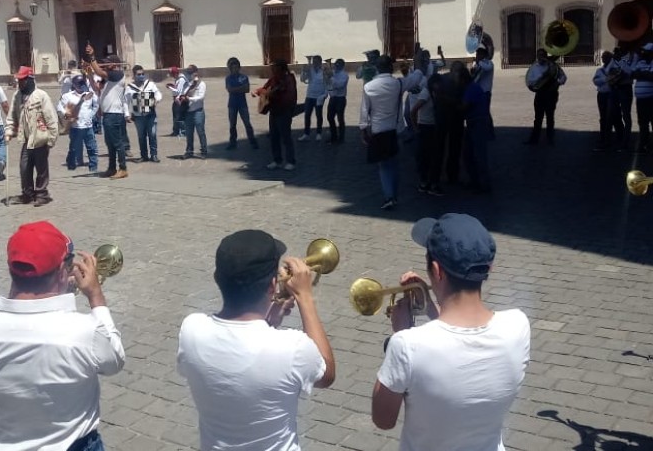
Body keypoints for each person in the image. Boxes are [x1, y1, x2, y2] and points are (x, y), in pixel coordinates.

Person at [371, 213, 530, 451]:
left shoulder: (407, 345)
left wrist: (400, 333)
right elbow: (461, 344)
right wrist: (433, 308)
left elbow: (383, 420)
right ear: (489, 267)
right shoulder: (518, 325)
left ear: (436, 270)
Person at [0, 221, 125, 451]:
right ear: (62, 271)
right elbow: (114, 361)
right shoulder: (83, 331)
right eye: (69, 264)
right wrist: (95, 296)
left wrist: (57, 294)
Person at [177, 230, 335, 451]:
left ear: (217, 278)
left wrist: (269, 321)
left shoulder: (191, 329)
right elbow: (326, 373)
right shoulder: (291, 348)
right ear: (273, 285)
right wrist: (305, 297)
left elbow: (238, 357)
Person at [359, 55, 423, 210]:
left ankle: (389, 196)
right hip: (395, 129)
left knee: (384, 165)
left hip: (378, 130)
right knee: (393, 162)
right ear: (391, 68)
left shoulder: (369, 86)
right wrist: (418, 63)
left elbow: (364, 110)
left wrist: (363, 130)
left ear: (377, 68)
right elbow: (416, 78)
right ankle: (393, 193)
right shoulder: (397, 84)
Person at [5, 67, 59, 206]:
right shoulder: (17, 96)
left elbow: (51, 118)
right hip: (27, 140)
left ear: (30, 80)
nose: (20, 84)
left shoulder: (41, 95)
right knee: (24, 168)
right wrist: (9, 130)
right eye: (19, 81)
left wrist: (52, 139)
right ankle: (27, 194)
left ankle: (42, 194)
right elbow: (12, 116)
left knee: (41, 168)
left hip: (41, 138)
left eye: (22, 81)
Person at [84, 46, 130, 179]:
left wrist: (92, 57)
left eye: (108, 62)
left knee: (117, 143)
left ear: (114, 64)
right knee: (110, 144)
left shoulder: (117, 74)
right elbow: (96, 87)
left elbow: (99, 71)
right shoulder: (108, 78)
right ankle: (111, 168)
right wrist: (89, 73)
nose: (105, 64)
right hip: (108, 114)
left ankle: (123, 168)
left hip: (115, 114)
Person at [255, 59, 298, 171]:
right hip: (274, 111)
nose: (273, 70)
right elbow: (265, 88)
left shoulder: (289, 79)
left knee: (286, 137)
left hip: (284, 112)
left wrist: (274, 95)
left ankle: (290, 161)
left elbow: (289, 97)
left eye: (275, 68)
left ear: (281, 68)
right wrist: (258, 91)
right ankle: (277, 160)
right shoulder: (274, 79)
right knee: (274, 137)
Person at [525, 49, 567, 145]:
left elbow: (563, 77)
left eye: (543, 55)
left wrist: (558, 83)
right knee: (538, 118)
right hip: (540, 93)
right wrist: (539, 79)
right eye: (539, 55)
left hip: (551, 93)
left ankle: (550, 139)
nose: (541, 57)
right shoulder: (534, 67)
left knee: (550, 117)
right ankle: (534, 140)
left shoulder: (553, 66)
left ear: (546, 55)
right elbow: (530, 81)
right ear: (537, 56)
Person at [57, 75, 99, 172]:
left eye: (82, 83)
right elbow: (59, 107)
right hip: (75, 127)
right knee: (74, 148)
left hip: (88, 126)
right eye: (79, 84)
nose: (81, 86)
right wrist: (66, 114)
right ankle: (71, 164)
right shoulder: (68, 96)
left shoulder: (90, 95)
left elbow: (96, 105)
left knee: (92, 147)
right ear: (74, 85)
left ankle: (93, 166)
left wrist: (91, 115)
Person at [410, 75, 443, 196]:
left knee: (435, 156)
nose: (440, 86)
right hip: (425, 127)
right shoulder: (426, 93)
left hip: (434, 127)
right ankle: (425, 182)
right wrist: (415, 128)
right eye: (438, 84)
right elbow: (413, 111)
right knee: (425, 156)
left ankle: (432, 182)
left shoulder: (436, 92)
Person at [461, 70, 492, 193]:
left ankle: (483, 184)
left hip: (478, 122)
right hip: (472, 122)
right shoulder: (471, 87)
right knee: (468, 154)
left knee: (479, 154)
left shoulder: (471, 88)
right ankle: (475, 180)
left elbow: (464, 106)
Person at [125, 64, 163, 163]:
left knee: (152, 134)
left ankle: (154, 155)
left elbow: (158, 94)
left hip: (150, 114)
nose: (141, 76)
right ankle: (144, 155)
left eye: (142, 74)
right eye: (139, 74)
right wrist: (127, 114)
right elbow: (125, 102)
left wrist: (156, 99)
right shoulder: (130, 88)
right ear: (134, 75)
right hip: (138, 116)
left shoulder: (150, 84)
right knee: (141, 136)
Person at [593, 51, 625, 152]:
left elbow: (614, 80)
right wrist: (606, 79)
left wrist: (603, 80)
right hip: (601, 95)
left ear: (610, 58)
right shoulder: (600, 70)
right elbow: (595, 81)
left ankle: (618, 138)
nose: (603, 58)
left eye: (605, 57)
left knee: (614, 117)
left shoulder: (614, 67)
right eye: (603, 57)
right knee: (603, 117)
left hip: (612, 95)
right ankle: (604, 138)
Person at [224, 57, 258, 151]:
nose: (235, 69)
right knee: (232, 124)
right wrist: (240, 88)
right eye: (233, 68)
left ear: (239, 68)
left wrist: (236, 89)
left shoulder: (244, 77)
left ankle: (252, 141)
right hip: (232, 104)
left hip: (242, 104)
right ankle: (232, 142)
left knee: (247, 123)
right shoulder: (228, 78)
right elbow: (229, 89)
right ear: (230, 68)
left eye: (236, 67)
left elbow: (247, 89)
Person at [298, 55, 327, 142]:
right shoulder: (310, 70)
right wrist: (303, 71)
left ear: (320, 62)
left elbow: (328, 84)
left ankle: (319, 133)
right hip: (309, 96)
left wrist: (324, 96)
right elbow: (302, 79)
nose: (314, 63)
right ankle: (306, 134)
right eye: (313, 61)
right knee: (307, 115)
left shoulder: (324, 71)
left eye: (316, 62)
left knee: (319, 115)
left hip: (319, 97)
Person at [182, 64, 208, 159]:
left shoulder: (201, 84)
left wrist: (190, 99)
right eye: (188, 72)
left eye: (192, 72)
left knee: (200, 132)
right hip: (188, 111)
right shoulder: (187, 84)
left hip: (198, 111)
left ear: (196, 72)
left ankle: (204, 151)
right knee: (189, 133)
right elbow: (182, 93)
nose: (190, 74)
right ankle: (189, 151)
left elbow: (201, 97)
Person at [632, 43, 653, 154]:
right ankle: (643, 144)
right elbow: (632, 73)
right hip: (641, 100)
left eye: (646, 52)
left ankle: (650, 145)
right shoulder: (640, 62)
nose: (643, 53)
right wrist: (645, 74)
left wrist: (641, 74)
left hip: (651, 99)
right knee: (643, 123)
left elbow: (651, 76)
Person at [471, 45, 495, 137]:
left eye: (478, 54)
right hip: (478, 92)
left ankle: (490, 133)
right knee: (480, 112)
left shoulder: (489, 63)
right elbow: (475, 77)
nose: (477, 55)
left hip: (485, 92)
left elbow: (487, 68)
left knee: (486, 112)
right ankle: (483, 131)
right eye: (477, 54)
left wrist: (478, 62)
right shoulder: (479, 64)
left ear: (483, 55)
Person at [327, 58, 349, 144]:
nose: (335, 66)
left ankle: (341, 138)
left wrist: (331, 77)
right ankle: (333, 136)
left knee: (340, 118)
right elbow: (328, 84)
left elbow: (339, 85)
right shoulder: (333, 73)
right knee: (330, 117)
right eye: (335, 64)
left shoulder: (345, 75)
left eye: (338, 65)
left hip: (340, 98)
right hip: (333, 97)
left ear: (342, 66)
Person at [168, 66, 188, 137]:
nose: (170, 75)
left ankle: (183, 131)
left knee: (180, 116)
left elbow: (178, 91)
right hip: (176, 100)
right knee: (175, 116)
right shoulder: (177, 79)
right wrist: (173, 86)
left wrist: (170, 87)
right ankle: (176, 131)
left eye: (171, 74)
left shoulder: (181, 79)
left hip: (180, 100)